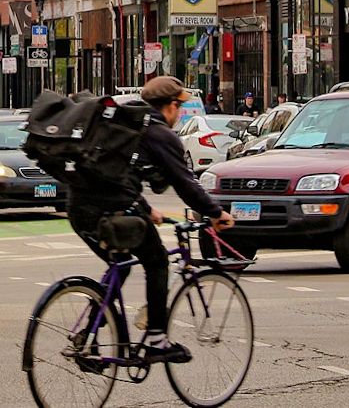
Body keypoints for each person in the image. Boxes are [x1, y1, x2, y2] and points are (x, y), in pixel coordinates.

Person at [63, 76, 235, 364]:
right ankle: (157, 340)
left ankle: (89, 334)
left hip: (79, 208)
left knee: (121, 264)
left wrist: (144, 208)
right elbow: (185, 184)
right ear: (169, 106)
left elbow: (116, 174)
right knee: (156, 260)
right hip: (110, 210)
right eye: (179, 107)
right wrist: (216, 213)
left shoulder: (128, 125)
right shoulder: (159, 134)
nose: (179, 113)